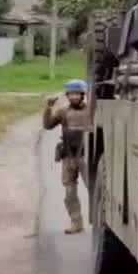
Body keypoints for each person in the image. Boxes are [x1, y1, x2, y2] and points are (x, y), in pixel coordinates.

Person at [43, 80, 91, 234]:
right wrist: (48, 108)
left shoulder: (91, 111)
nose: (74, 97)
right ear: (68, 96)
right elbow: (48, 125)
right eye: (71, 94)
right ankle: (76, 223)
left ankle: (101, 224)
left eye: (77, 94)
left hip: (86, 157)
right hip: (68, 157)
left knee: (95, 189)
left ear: (82, 95)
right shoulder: (63, 112)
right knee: (70, 192)